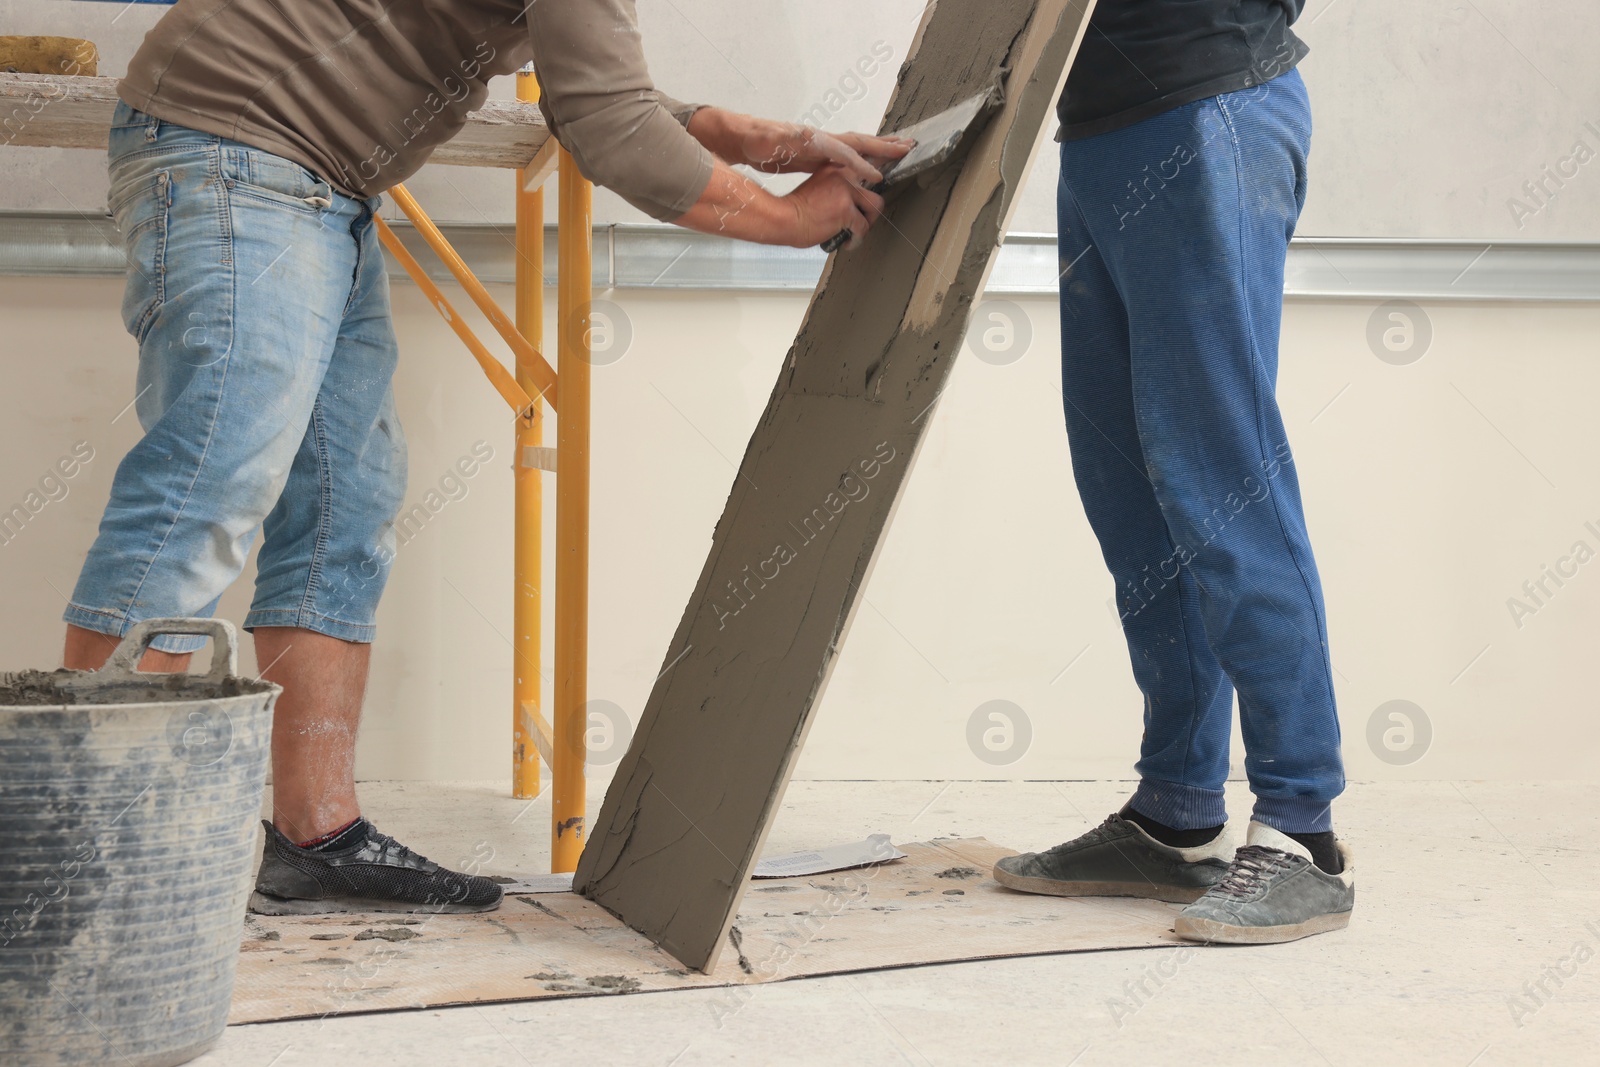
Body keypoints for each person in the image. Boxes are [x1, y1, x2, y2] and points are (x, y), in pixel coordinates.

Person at [61, 0, 907, 915]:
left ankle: (317, 836)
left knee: (347, 499)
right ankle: (82, 843)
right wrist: (788, 223)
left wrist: (742, 135)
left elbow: (598, 93)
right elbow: (612, 129)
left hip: (307, 177)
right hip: (243, 153)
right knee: (210, 481)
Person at [992, 0, 1354, 944]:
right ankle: (1176, 813)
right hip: (1102, 130)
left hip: (1209, 107)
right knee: (1132, 494)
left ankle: (1301, 826)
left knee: (1221, 480)